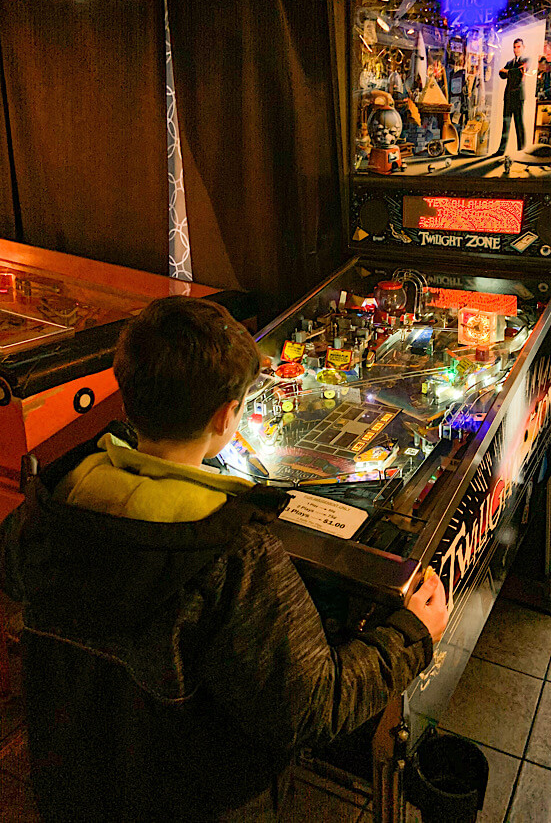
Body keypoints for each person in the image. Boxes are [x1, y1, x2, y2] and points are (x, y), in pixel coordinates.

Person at [0, 296, 447, 823]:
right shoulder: (235, 553)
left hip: (73, 781)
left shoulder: (52, 501)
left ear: (128, 395)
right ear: (224, 417)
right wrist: (410, 636)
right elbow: (312, 706)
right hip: (198, 800)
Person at [493, 37, 529, 156]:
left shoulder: (526, 60)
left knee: (519, 124)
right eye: (514, 47)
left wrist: (507, 72)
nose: (516, 49)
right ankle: (501, 150)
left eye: (518, 47)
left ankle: (521, 151)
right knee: (506, 124)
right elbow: (500, 74)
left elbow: (518, 74)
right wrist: (509, 72)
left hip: (518, 97)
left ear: (523, 48)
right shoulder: (510, 62)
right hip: (508, 96)